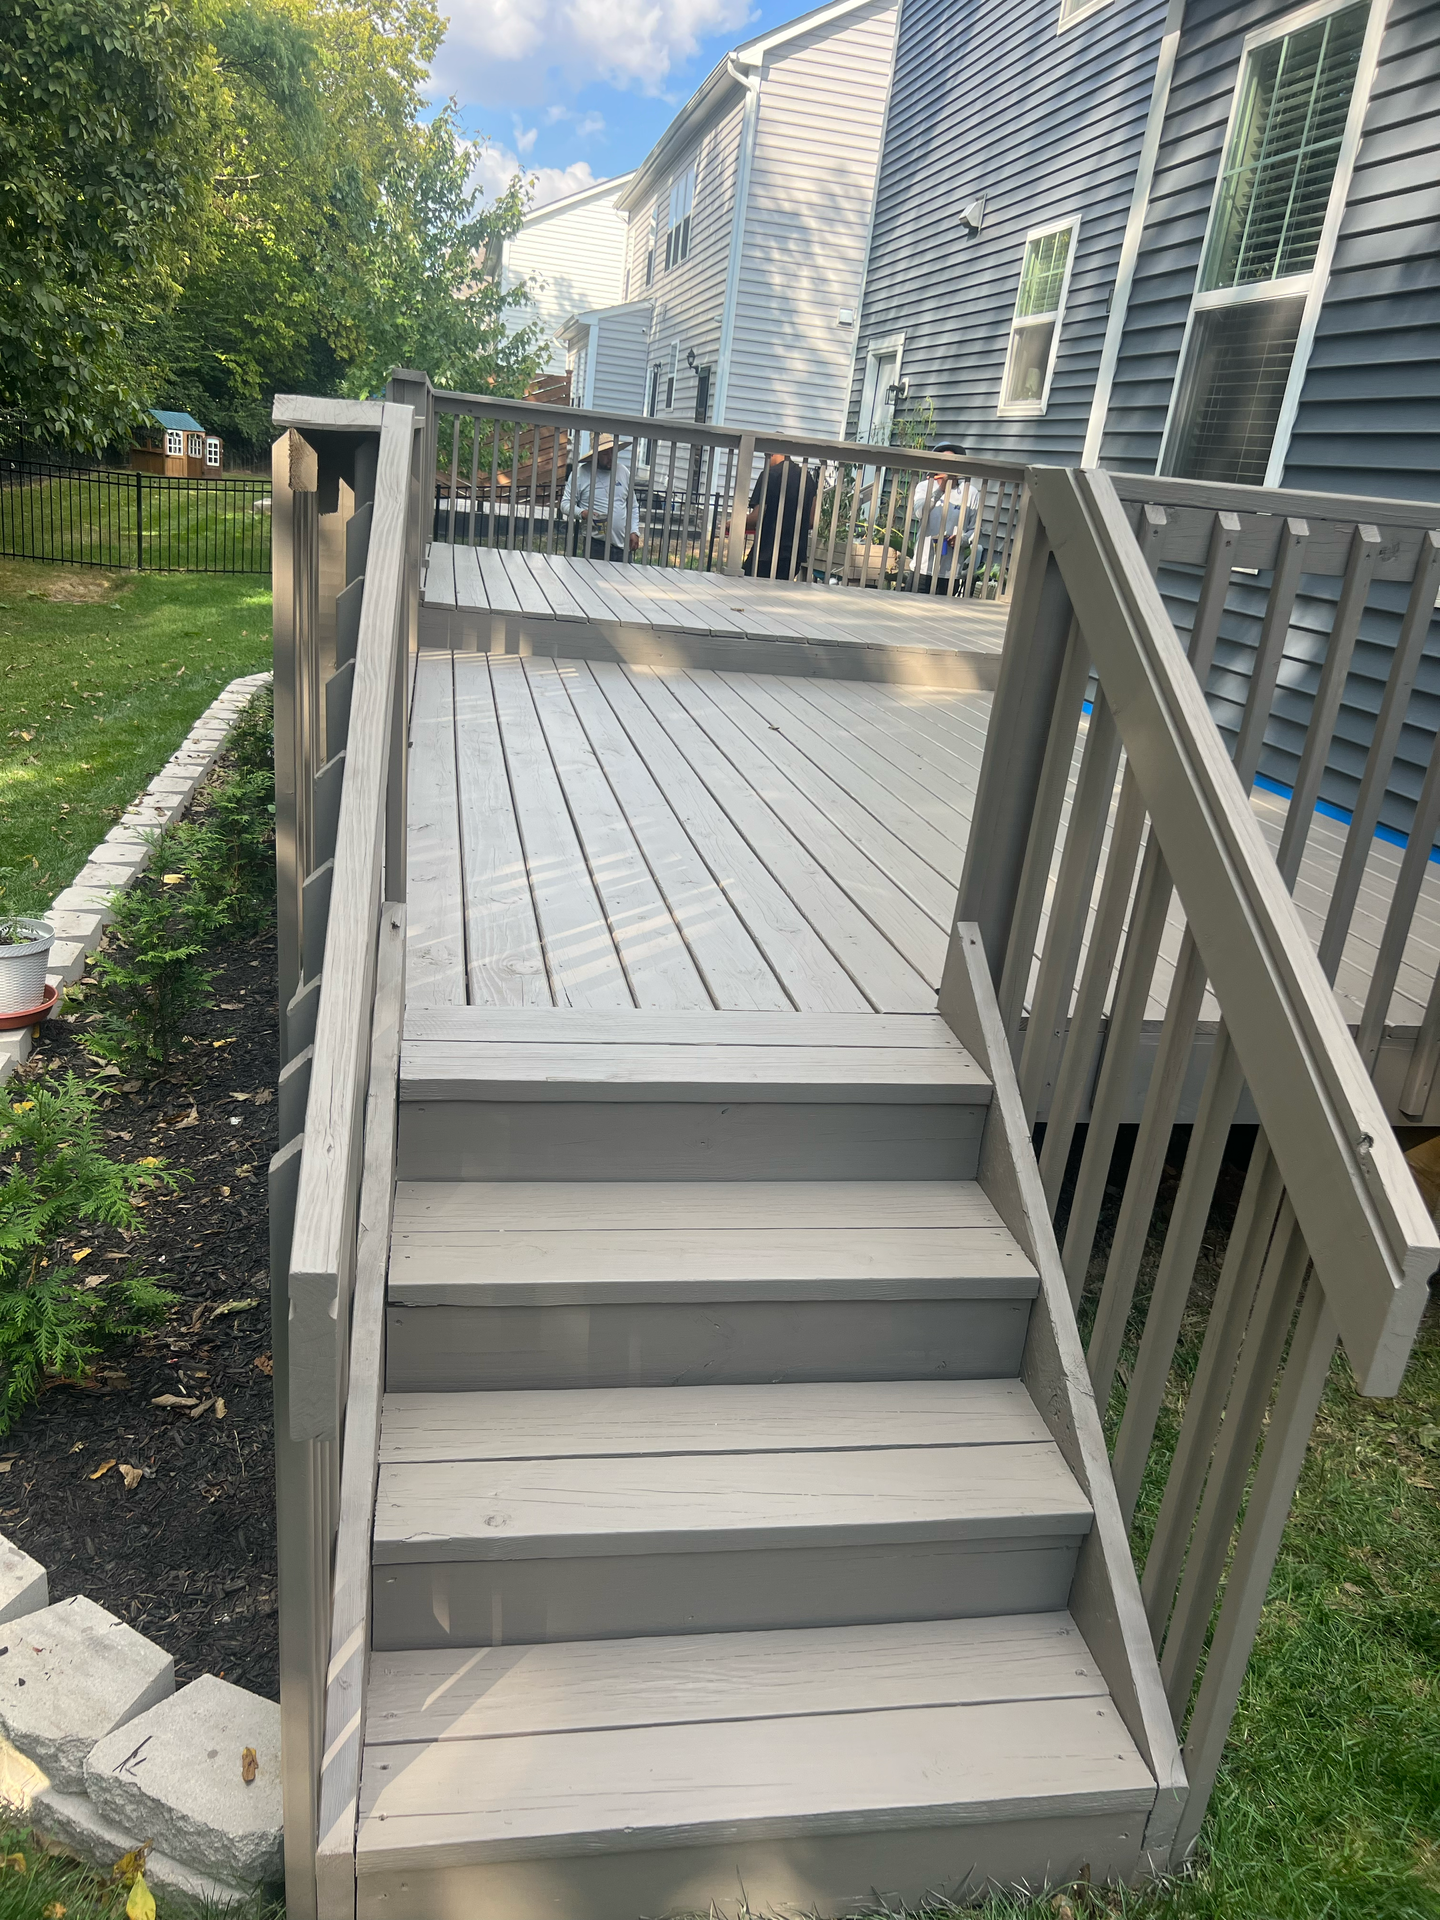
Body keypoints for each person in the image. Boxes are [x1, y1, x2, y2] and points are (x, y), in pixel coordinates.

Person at [909, 442, 977, 595]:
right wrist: (941, 488)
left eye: (954, 462)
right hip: (923, 566)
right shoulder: (924, 487)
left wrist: (963, 539)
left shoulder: (970, 492)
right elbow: (920, 512)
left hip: (950, 572)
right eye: (944, 462)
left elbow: (974, 528)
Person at [743, 452, 819, 580]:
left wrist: (735, 522)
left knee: (747, 585)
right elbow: (812, 521)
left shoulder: (769, 474)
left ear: (772, 454)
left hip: (766, 552)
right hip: (793, 555)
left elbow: (756, 517)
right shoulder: (806, 477)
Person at [561, 435, 638, 558]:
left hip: (622, 546)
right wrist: (583, 513)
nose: (611, 457)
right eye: (605, 454)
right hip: (595, 545)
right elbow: (565, 504)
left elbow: (632, 506)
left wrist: (634, 531)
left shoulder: (623, 472)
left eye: (613, 452)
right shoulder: (581, 474)